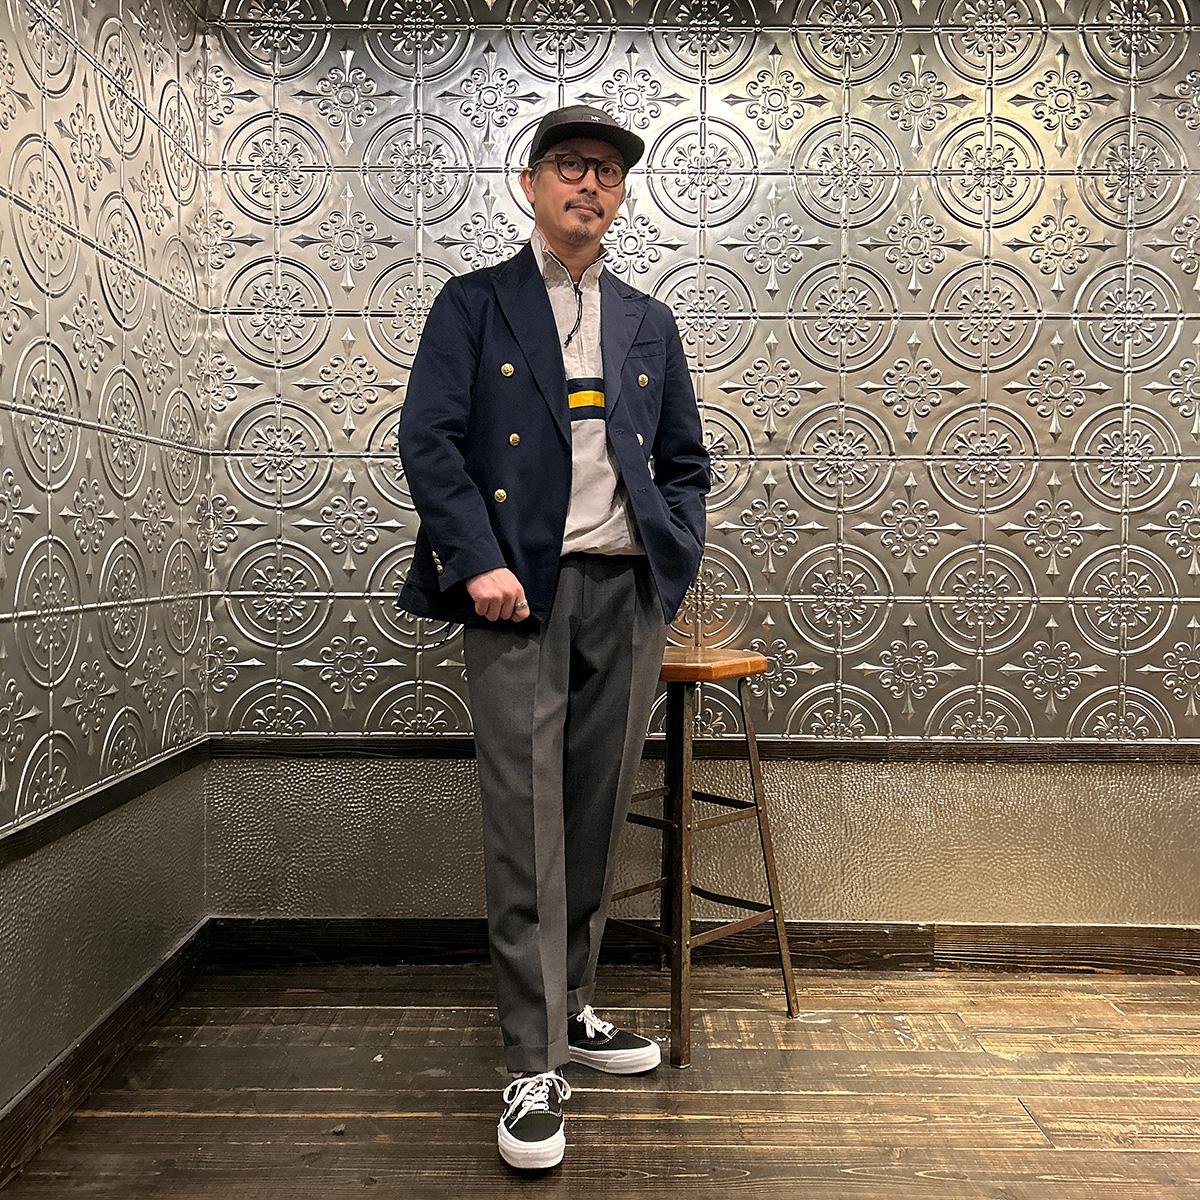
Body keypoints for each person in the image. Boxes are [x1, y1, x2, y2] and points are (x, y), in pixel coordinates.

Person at [396, 103, 711, 1170]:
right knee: (524, 824)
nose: (591, 185)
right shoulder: (474, 303)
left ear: (621, 197)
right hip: (515, 593)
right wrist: (476, 559)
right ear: (529, 185)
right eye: (570, 167)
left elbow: (684, 462)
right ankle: (531, 1062)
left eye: (608, 174)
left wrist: (671, 562)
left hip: (627, 593)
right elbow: (429, 439)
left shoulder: (647, 320)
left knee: (592, 812)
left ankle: (573, 1004)